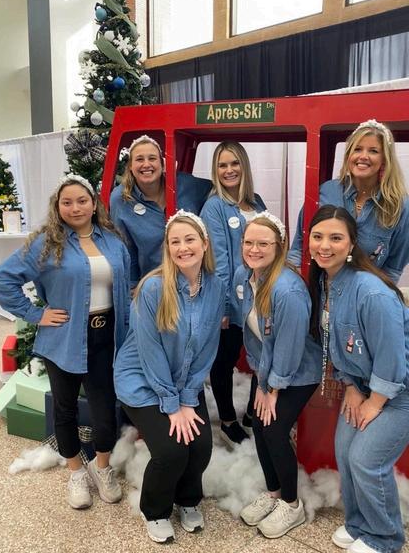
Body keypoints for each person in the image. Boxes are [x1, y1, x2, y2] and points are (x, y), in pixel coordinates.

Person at [0, 174, 130, 510]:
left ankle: (101, 467)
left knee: (104, 410)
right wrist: (36, 314)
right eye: (66, 202)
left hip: (107, 336)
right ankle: (76, 472)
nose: (75, 208)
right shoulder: (46, 243)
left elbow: (126, 283)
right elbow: (2, 279)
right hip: (64, 337)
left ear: (94, 204)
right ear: (57, 207)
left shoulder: (113, 240)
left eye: (82, 201)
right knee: (65, 409)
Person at [113, 210, 225, 544]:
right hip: (143, 381)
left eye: (189, 240)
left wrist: (188, 398)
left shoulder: (215, 287)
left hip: (185, 378)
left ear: (204, 244)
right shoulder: (153, 288)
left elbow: (207, 347)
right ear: (168, 248)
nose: (182, 247)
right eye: (175, 242)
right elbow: (150, 351)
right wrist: (172, 405)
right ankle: (155, 510)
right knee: (172, 450)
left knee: (201, 446)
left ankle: (188, 500)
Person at [308, 204, 409, 553]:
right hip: (363, 385)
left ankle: (384, 538)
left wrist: (375, 402)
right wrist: (351, 386)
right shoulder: (327, 282)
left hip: (398, 390)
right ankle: (359, 525)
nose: (325, 245)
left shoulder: (371, 291)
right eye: (318, 236)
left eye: (336, 238)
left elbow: (393, 358)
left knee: (367, 460)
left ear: (352, 244)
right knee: (345, 451)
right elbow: (338, 343)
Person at [234, 212, 321, 538]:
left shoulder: (288, 290)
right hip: (267, 367)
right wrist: (261, 378)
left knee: (273, 429)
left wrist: (272, 388)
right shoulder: (246, 276)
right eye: (249, 242)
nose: (254, 249)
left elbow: (289, 346)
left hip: (297, 371)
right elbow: (258, 337)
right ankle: (273, 492)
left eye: (263, 243)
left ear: (279, 246)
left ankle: (291, 504)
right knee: (257, 425)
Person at [200, 141, 266, 447]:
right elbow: (219, 263)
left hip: (260, 298)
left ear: (244, 166)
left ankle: (253, 413)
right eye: (222, 165)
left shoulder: (257, 202)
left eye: (234, 163)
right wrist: (224, 307)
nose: (229, 170)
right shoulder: (214, 207)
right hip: (231, 300)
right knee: (225, 360)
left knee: (261, 358)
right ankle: (227, 420)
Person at [289, 119, 409, 283]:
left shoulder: (400, 206)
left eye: (373, 151)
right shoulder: (325, 192)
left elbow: (393, 269)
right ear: (348, 155)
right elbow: (298, 249)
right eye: (357, 149)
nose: (363, 156)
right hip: (319, 289)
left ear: (385, 159)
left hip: (367, 293)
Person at [110, 135, 212, 287]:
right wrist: (133, 288)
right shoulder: (121, 199)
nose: (146, 164)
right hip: (155, 286)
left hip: (196, 282)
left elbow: (222, 190)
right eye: (139, 159)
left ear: (162, 163)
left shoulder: (187, 184)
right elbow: (125, 249)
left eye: (152, 158)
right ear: (130, 166)